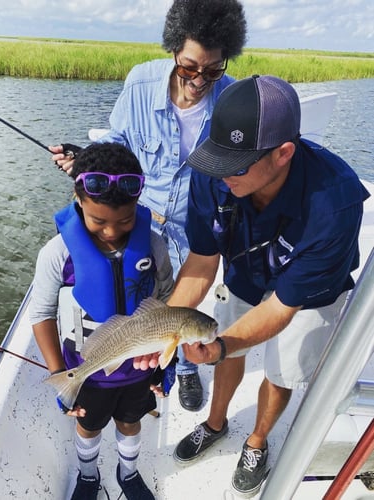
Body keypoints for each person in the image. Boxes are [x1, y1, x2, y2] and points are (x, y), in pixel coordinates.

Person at [135, 75, 370, 497]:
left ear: (283, 153)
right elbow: (202, 261)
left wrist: (222, 344)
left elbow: (282, 308)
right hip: (245, 267)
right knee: (224, 345)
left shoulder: (336, 202)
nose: (222, 177)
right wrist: (164, 330)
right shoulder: (215, 172)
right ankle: (215, 423)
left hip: (310, 293)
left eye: (235, 166)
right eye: (217, 162)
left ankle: (257, 441)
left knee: (282, 368)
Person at [50, 0, 247, 412]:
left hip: (195, 226)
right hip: (145, 222)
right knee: (146, 306)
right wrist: (86, 162)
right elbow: (117, 144)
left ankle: (185, 369)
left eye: (213, 70)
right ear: (173, 49)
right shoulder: (140, 82)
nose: (199, 80)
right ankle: (144, 368)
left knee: (188, 317)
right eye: (189, 67)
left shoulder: (231, 102)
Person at [29, 142, 174, 500]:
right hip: (87, 368)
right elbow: (42, 314)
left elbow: (169, 300)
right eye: (98, 221)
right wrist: (62, 377)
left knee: (131, 420)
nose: (111, 231)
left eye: (124, 221)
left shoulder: (153, 246)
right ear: (78, 200)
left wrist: (170, 362)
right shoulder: (57, 253)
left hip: (140, 367)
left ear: (137, 208)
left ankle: (128, 473)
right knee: (88, 426)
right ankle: (88, 475)